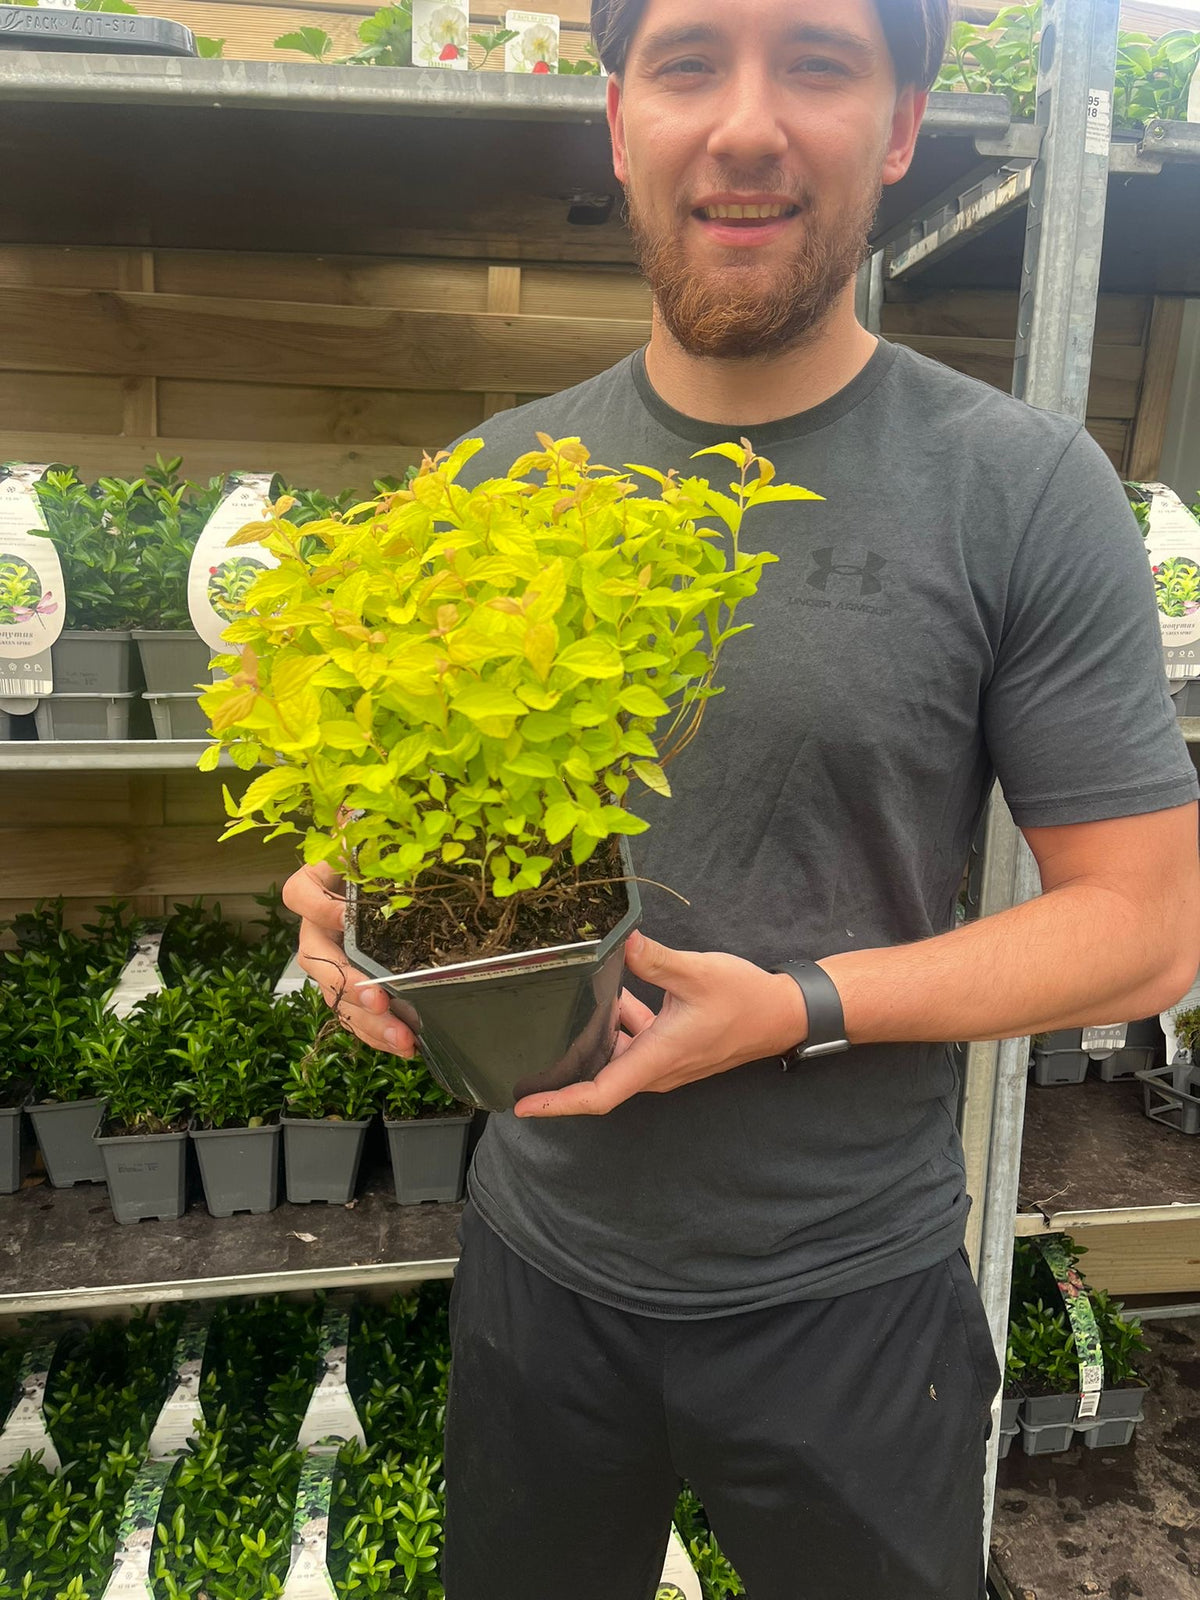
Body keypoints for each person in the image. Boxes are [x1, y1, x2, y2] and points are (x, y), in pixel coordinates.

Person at [283, 1, 1200, 1595]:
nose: (750, 123)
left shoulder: (1023, 488)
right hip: (538, 1264)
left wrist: (797, 1007)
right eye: (692, 60)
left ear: (903, 126)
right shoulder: (495, 481)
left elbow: (1147, 932)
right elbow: (414, 838)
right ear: (619, 118)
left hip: (853, 1297)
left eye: (821, 62)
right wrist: (341, 913)